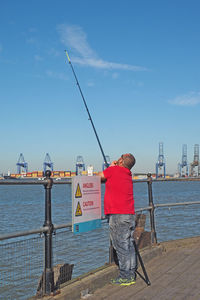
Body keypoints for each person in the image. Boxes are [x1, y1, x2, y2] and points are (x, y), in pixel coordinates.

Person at [98, 153, 137, 286]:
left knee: (121, 246)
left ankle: (125, 276)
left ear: (121, 161)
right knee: (129, 245)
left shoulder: (114, 170)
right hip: (129, 214)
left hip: (117, 215)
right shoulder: (127, 173)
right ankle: (131, 274)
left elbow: (99, 177)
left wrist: (110, 166)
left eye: (120, 157)